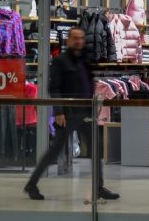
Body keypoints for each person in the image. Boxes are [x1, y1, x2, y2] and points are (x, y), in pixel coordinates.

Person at [24, 27, 119, 201]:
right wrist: (59, 112)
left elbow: (88, 85)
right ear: (68, 40)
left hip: (86, 112)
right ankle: (32, 184)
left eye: (81, 38)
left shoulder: (84, 59)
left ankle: (98, 187)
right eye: (75, 38)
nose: (78, 41)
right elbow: (54, 88)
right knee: (54, 151)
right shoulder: (60, 61)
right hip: (68, 114)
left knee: (96, 149)